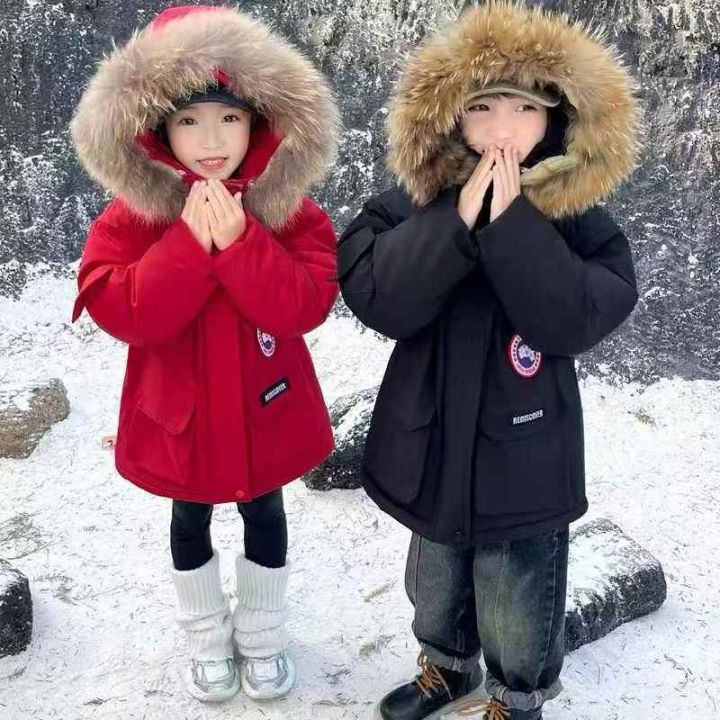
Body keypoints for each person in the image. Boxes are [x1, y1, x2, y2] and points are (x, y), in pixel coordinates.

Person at [337, 2, 641, 718]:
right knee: (436, 568)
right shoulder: (414, 201)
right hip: (431, 426)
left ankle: (518, 693)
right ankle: (446, 666)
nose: (502, 129)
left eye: (524, 108)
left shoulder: (578, 217)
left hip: (526, 443)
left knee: (518, 582)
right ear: (449, 117)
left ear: (558, 120)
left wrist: (511, 226)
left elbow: (575, 317)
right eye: (482, 107)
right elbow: (379, 295)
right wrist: (453, 221)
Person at [69, 4, 340, 704]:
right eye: (189, 120)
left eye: (229, 117)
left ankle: (262, 635)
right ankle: (206, 638)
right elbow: (123, 309)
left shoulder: (287, 207)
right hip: (179, 412)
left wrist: (243, 244)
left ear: (260, 122)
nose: (212, 140)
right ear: (157, 131)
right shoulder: (134, 213)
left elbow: (305, 304)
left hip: (263, 407)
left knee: (265, 512)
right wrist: (189, 246)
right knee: (188, 517)